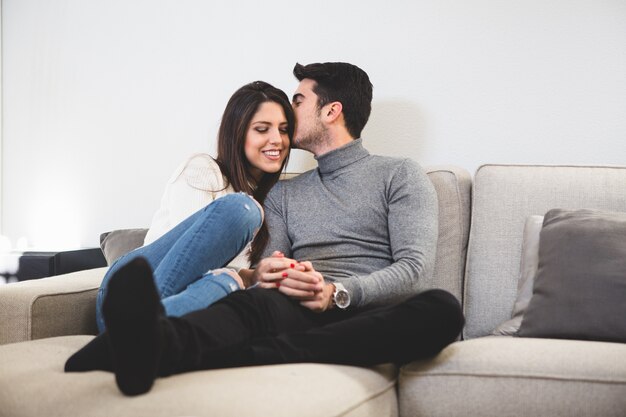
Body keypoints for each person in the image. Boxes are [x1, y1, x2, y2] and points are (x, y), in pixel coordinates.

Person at [66, 62, 465, 397]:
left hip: (367, 310)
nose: (289, 117)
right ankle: (149, 343)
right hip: (300, 304)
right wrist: (277, 273)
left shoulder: (400, 174)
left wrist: (337, 294)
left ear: (331, 111)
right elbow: (273, 261)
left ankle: (151, 349)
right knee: (250, 305)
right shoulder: (282, 194)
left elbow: (414, 270)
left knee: (442, 310)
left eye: (298, 101)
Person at [93, 81, 294, 332]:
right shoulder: (204, 169)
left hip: (169, 306)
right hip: (129, 289)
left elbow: (214, 277)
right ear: (237, 133)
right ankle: (134, 325)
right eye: (262, 129)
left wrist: (253, 277)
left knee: (227, 284)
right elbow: (189, 260)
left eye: (284, 130)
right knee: (243, 210)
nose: (277, 140)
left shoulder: (276, 199)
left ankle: (128, 338)